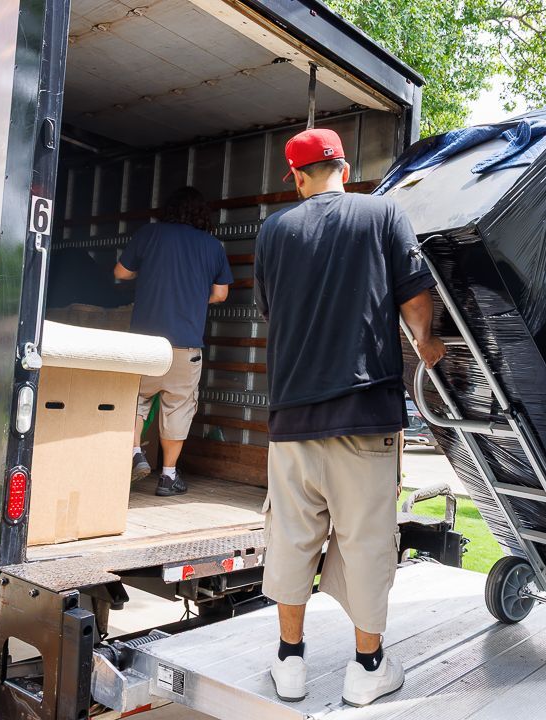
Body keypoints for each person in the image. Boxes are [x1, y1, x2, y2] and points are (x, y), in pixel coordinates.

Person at [254, 128, 446, 707]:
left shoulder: (273, 231)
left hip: (290, 419)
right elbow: (414, 297)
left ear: (296, 176)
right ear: (345, 165)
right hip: (365, 415)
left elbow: (270, 309)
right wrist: (427, 342)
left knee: (290, 540)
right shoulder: (383, 214)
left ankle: (290, 661)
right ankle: (367, 667)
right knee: (366, 543)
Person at [115, 187, 232, 497]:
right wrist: (195, 296)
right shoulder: (212, 246)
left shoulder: (149, 234)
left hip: (145, 344)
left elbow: (121, 273)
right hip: (186, 345)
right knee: (178, 407)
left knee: (136, 401)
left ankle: (134, 452)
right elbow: (221, 294)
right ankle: (168, 476)